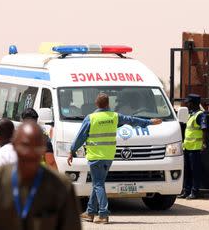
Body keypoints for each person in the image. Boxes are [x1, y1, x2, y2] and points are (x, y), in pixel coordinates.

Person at [0, 121, 81, 230]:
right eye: (25, 145)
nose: (30, 152)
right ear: (14, 145)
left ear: (44, 149)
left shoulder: (60, 186)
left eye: (36, 147)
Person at [67, 93, 162, 224]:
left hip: (96, 156)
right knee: (97, 183)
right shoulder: (114, 117)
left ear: (96, 104)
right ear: (108, 104)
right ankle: (89, 212)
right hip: (109, 156)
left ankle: (103, 214)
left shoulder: (91, 118)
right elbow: (132, 120)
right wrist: (149, 122)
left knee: (98, 184)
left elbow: (80, 137)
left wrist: (72, 151)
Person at [178, 94, 207, 200]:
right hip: (187, 147)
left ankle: (194, 192)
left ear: (194, 103)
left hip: (195, 148)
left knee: (195, 171)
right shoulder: (191, 114)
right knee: (187, 170)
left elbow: (204, 129)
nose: (187, 104)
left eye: (189, 102)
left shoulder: (200, 115)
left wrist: (203, 143)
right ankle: (186, 191)